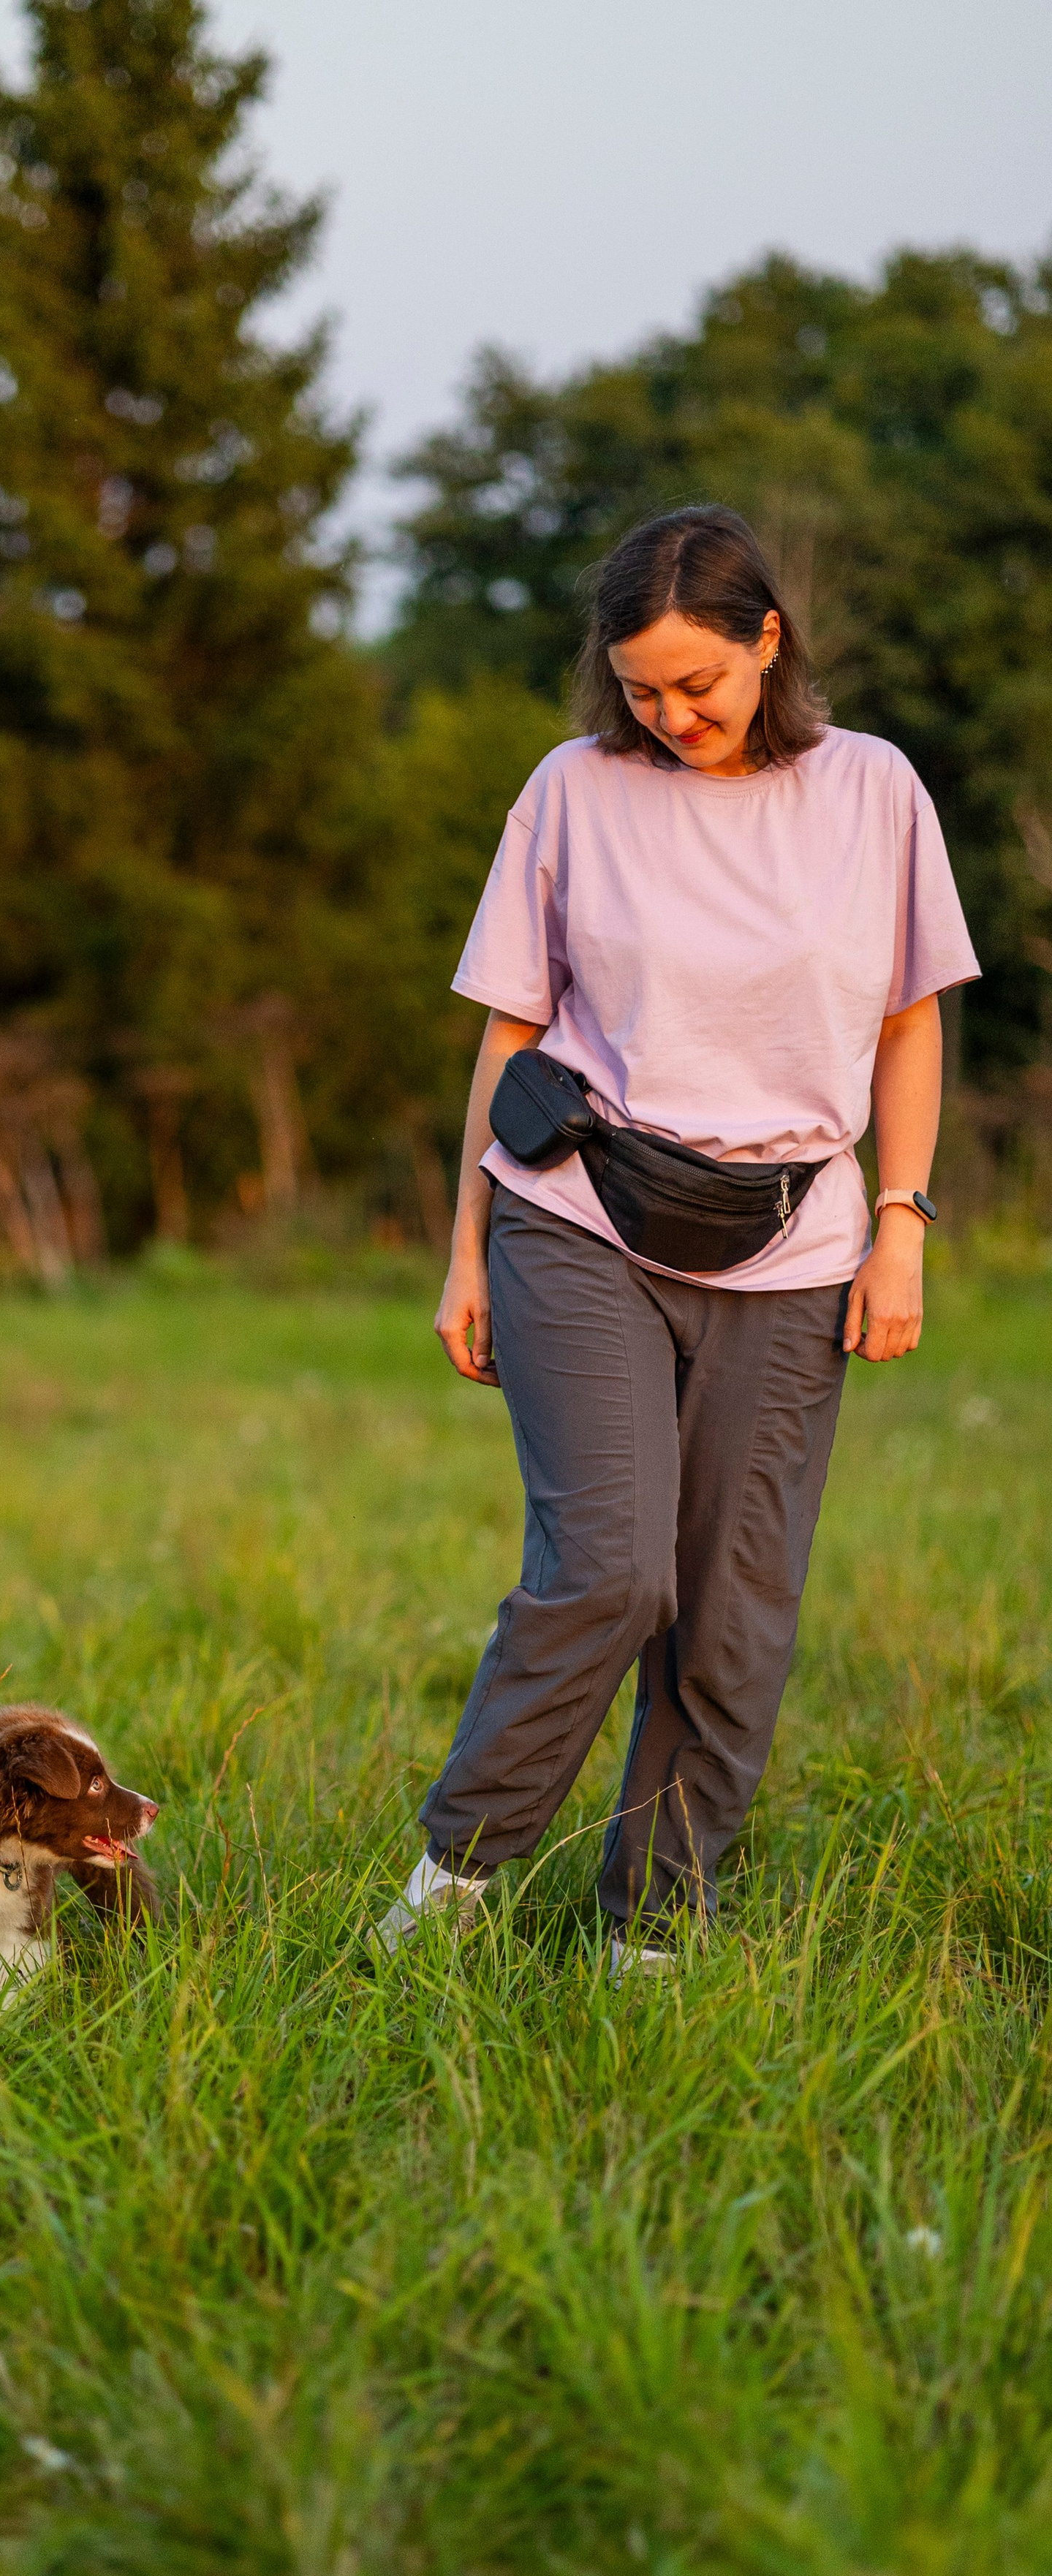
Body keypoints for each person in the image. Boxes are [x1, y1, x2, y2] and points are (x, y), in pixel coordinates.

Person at [375, 504, 980, 1974]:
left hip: (792, 1240)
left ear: (765, 641)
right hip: (576, 1208)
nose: (670, 714)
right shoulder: (570, 791)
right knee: (604, 1573)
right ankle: (451, 1881)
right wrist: (464, 1248)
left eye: (696, 683)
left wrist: (897, 1222)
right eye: (639, 688)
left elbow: (907, 1020)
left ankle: (651, 1924)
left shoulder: (872, 791)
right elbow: (509, 1030)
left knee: (728, 1610)